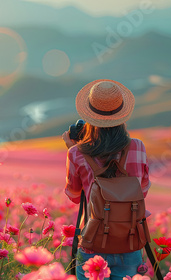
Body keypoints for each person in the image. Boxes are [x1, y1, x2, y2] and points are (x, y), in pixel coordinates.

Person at [61, 79, 151, 280]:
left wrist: (73, 151)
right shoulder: (138, 147)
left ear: (89, 115)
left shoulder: (76, 153)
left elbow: (75, 196)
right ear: (122, 113)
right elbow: (142, 191)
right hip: (130, 243)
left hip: (93, 243)